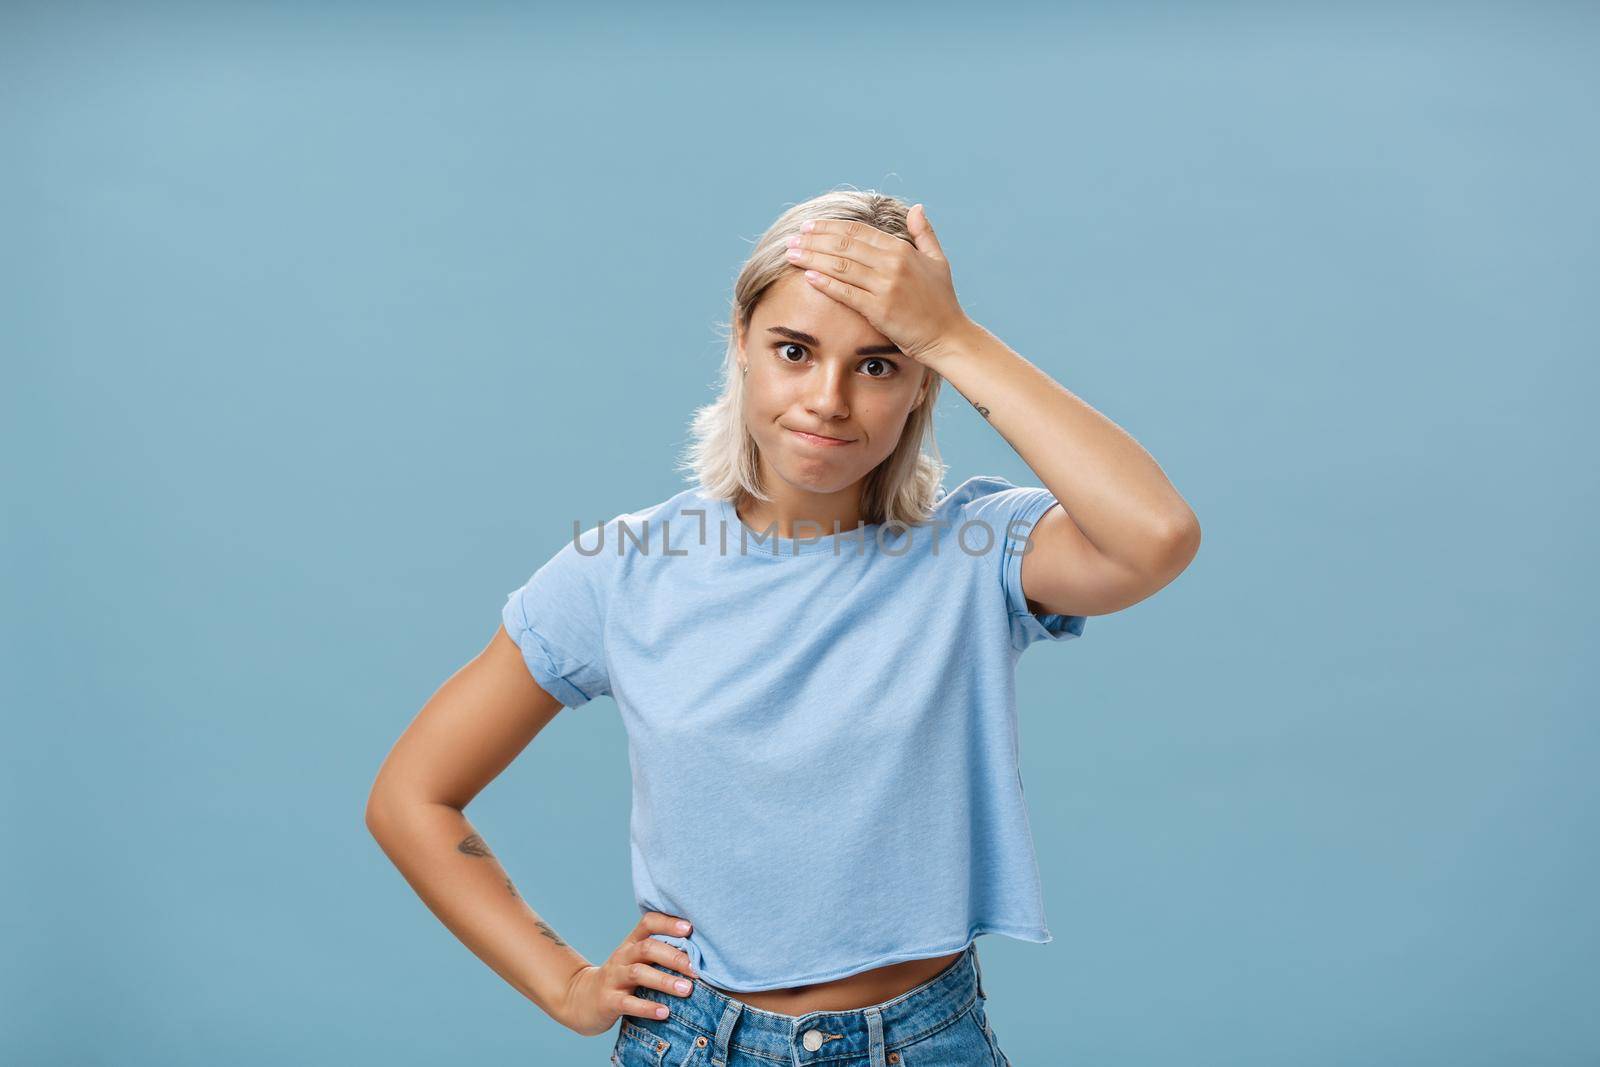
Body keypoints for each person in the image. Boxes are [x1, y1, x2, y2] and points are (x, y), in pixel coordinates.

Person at [365, 189, 1201, 1065]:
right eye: (795, 351)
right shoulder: (622, 569)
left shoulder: (978, 550)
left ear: (923, 384)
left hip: (920, 1042)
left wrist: (952, 334)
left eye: (879, 364)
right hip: (690, 1042)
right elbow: (412, 795)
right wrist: (566, 983)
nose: (829, 399)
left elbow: (1156, 536)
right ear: (742, 345)